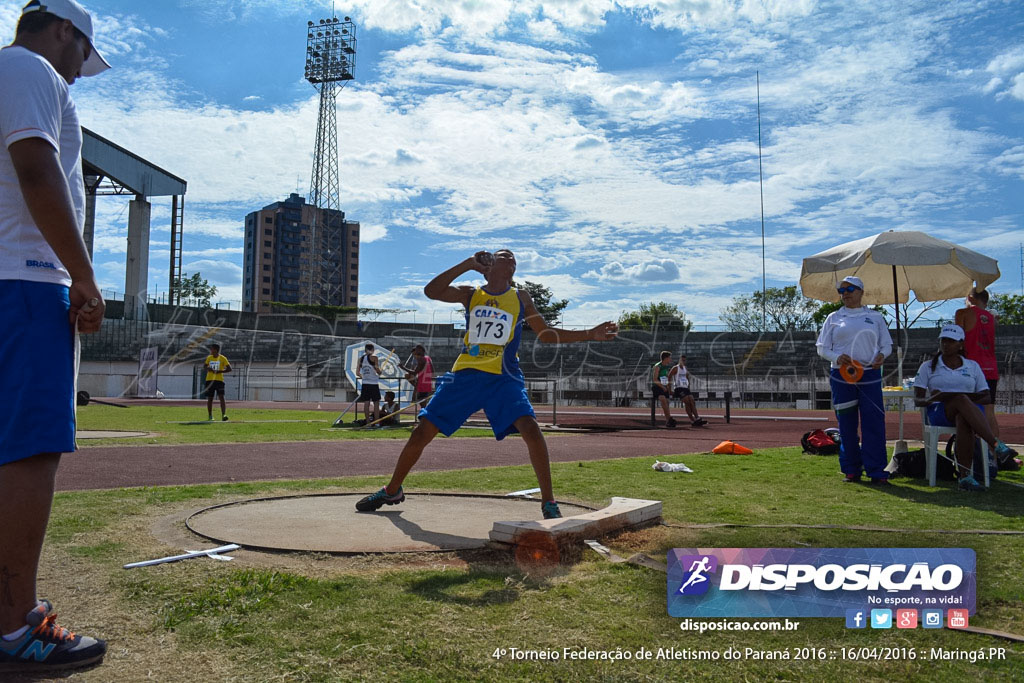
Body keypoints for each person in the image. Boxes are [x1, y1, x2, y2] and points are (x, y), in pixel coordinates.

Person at [0, 0, 110, 673]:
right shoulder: (30, 68)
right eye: (81, 55)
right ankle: (17, 626)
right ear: (64, 32)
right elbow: (38, 170)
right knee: (32, 446)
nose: (78, 72)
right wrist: (84, 276)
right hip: (25, 283)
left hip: (12, 280)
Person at [355, 249, 618, 519]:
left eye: (513, 258)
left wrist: (590, 334)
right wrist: (468, 264)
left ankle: (549, 502)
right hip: (466, 374)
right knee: (422, 432)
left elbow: (546, 335)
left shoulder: (520, 297)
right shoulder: (471, 293)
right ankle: (392, 490)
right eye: (504, 255)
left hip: (504, 376)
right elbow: (431, 291)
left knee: (531, 429)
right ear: (489, 265)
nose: (510, 258)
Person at [913, 324, 1016, 491]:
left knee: (963, 415)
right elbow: (918, 399)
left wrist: (960, 397)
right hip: (941, 411)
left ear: (960, 344)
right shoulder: (928, 366)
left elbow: (986, 396)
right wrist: (934, 398)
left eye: (951, 341)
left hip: (970, 413)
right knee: (961, 401)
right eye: (943, 340)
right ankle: (996, 445)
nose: (946, 344)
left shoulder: (972, 366)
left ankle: (965, 477)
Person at [815, 276, 893, 484]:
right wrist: (836, 357)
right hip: (842, 375)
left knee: (873, 422)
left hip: (869, 374)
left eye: (850, 289)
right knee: (847, 423)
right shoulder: (833, 317)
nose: (845, 293)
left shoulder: (875, 317)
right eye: (842, 290)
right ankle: (851, 469)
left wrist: (881, 356)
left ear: (861, 291)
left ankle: (876, 470)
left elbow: (887, 345)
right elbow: (822, 347)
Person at [955, 288, 1001, 438]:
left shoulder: (963, 313)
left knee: (966, 411)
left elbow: (957, 340)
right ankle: (995, 456)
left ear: (970, 297)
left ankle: (971, 452)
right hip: (990, 368)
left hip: (970, 368)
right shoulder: (992, 318)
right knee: (989, 413)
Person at [670, 354, 705, 427]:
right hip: (679, 388)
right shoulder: (675, 368)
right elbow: (669, 376)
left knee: (692, 401)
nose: (683, 361)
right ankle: (692, 419)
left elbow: (686, 377)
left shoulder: (685, 369)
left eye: (684, 360)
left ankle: (697, 418)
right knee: (687, 402)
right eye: (682, 360)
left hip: (685, 388)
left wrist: (688, 385)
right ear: (679, 360)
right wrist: (670, 388)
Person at [403, 344, 433, 422]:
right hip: (427, 382)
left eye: (416, 350)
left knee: (422, 401)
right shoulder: (428, 358)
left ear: (421, 350)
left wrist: (402, 367)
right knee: (423, 400)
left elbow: (415, 372)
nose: (415, 352)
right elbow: (432, 370)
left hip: (422, 383)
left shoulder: (421, 359)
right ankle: (425, 417)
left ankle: (425, 418)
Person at [203, 343, 231, 421]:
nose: (210, 351)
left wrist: (219, 371)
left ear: (215, 350)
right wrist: (209, 368)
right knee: (210, 398)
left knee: (221, 397)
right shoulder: (209, 358)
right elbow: (205, 366)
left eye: (211, 349)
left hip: (219, 380)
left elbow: (229, 369)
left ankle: (223, 415)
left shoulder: (223, 358)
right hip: (209, 380)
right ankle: (210, 416)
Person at [356, 343, 381, 425]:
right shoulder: (374, 358)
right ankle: (377, 422)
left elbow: (357, 373)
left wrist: (363, 376)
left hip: (365, 383)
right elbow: (377, 370)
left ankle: (368, 422)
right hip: (373, 383)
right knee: (376, 403)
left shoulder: (360, 359)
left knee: (366, 403)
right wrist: (380, 372)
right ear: (373, 350)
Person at [651, 351, 677, 429]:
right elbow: (655, 379)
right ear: (665, 358)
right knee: (662, 399)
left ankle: (668, 420)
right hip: (657, 387)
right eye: (669, 358)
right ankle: (669, 419)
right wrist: (662, 387)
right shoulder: (658, 366)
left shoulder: (666, 367)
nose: (670, 359)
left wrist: (669, 388)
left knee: (667, 401)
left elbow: (667, 378)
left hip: (664, 387)